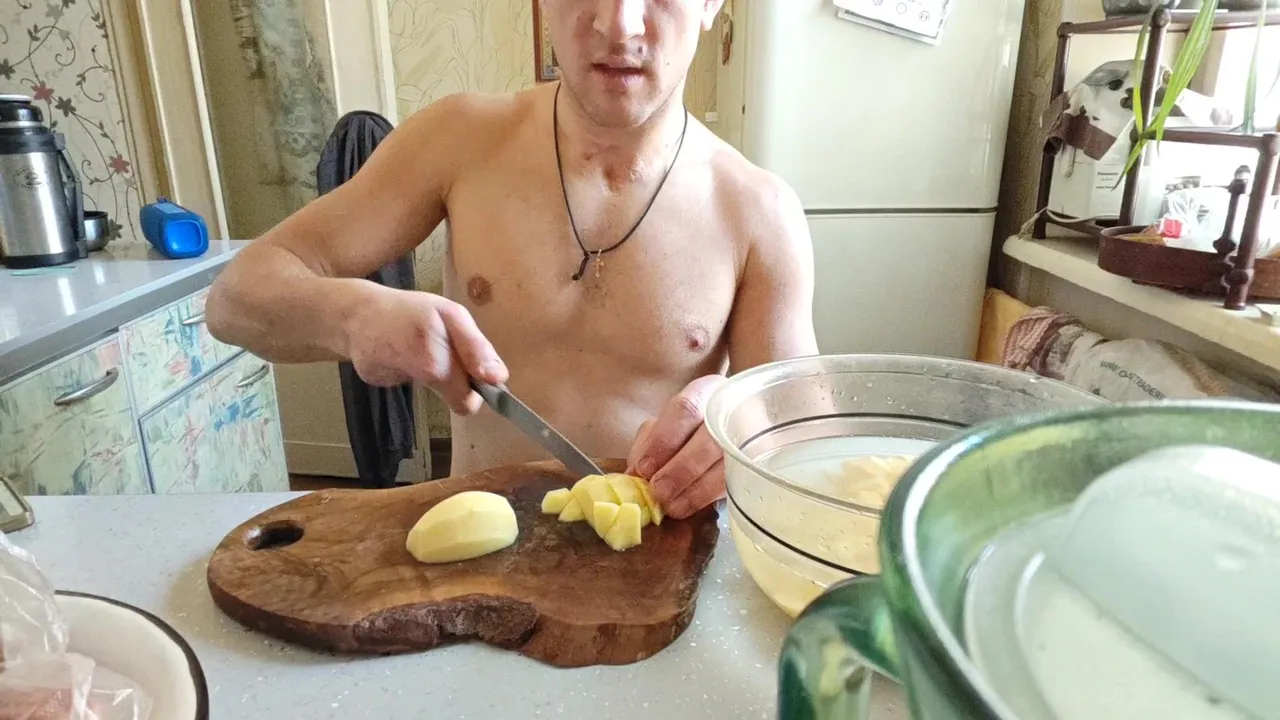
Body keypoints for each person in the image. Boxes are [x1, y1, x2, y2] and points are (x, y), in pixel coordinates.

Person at [205, 0, 818, 520]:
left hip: (662, 570)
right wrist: (353, 315)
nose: (619, 24)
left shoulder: (758, 210)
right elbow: (234, 299)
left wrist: (740, 420)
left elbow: (806, 429)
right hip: (477, 557)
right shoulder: (458, 139)